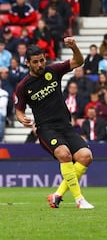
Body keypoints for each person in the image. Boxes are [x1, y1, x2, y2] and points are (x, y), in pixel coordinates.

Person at [14, 38, 94, 209]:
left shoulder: (54, 70)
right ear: (28, 63)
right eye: (35, 62)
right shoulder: (23, 86)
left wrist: (74, 47)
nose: (40, 64)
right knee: (64, 155)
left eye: (42, 60)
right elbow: (19, 109)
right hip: (45, 128)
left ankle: (57, 195)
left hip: (65, 125)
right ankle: (79, 200)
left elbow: (79, 62)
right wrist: (22, 119)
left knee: (86, 156)